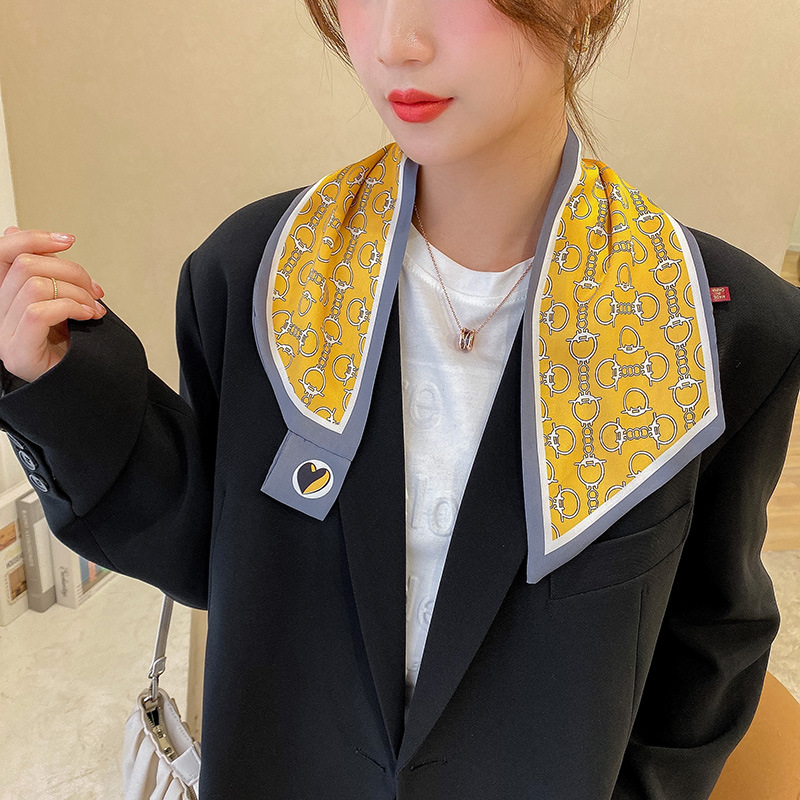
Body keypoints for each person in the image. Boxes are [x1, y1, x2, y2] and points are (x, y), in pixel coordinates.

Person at [1, 1, 799, 798]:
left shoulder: (711, 331)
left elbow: (709, 643)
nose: (394, 43)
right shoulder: (256, 276)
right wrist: (58, 378)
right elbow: (206, 551)